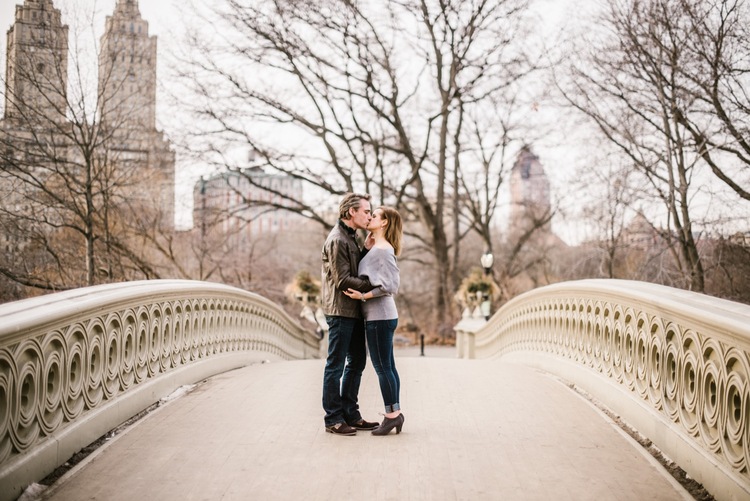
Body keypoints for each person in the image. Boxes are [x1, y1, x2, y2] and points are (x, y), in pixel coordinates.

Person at [321, 193, 379, 436]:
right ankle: (333, 419)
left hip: (353, 310)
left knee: (357, 361)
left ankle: (351, 415)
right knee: (335, 365)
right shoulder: (337, 240)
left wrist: (365, 251)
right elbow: (343, 280)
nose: (369, 215)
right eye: (366, 211)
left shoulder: (352, 238)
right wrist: (375, 284)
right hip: (340, 311)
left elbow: (352, 269)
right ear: (350, 212)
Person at [344, 206, 404, 435]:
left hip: (380, 316)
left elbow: (390, 286)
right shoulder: (376, 248)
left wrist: (363, 295)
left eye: (375, 215)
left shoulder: (384, 250)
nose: (370, 217)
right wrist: (366, 248)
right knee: (388, 366)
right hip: (381, 316)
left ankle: (391, 417)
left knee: (382, 368)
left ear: (385, 223)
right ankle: (395, 414)